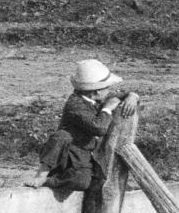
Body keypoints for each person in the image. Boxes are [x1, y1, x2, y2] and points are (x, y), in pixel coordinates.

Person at [34, 58, 127, 198]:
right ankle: (44, 176)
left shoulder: (93, 99)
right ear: (96, 91)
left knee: (82, 182)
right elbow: (99, 128)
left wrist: (132, 96)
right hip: (65, 154)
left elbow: (119, 94)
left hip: (82, 153)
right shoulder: (75, 105)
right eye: (107, 88)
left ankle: (53, 180)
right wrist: (107, 109)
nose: (109, 91)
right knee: (62, 136)